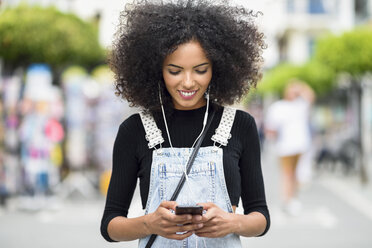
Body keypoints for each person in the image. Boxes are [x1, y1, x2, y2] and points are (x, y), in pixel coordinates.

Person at [100, 1, 270, 247]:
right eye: (175, 71)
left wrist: (232, 222)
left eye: (200, 70)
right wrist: (150, 223)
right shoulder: (134, 130)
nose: (188, 82)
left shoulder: (240, 126)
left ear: (217, 69)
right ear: (157, 69)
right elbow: (110, 226)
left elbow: (261, 217)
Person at [265, 79, 315, 216]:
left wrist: (300, 86)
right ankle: (286, 199)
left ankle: (292, 199)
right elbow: (271, 128)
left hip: (300, 145)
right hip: (285, 146)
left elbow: (310, 96)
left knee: (296, 174)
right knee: (287, 174)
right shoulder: (278, 107)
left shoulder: (300, 105)